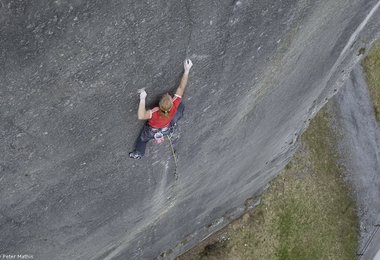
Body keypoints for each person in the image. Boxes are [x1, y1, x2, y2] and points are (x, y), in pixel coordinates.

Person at [129, 59, 193, 159]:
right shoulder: (174, 105)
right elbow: (181, 88)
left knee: (143, 140)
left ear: (159, 105)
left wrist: (142, 98)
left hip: (152, 130)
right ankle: (169, 130)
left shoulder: (154, 112)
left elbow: (141, 115)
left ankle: (138, 153)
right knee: (181, 107)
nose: (167, 94)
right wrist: (187, 70)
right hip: (166, 129)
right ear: (171, 103)